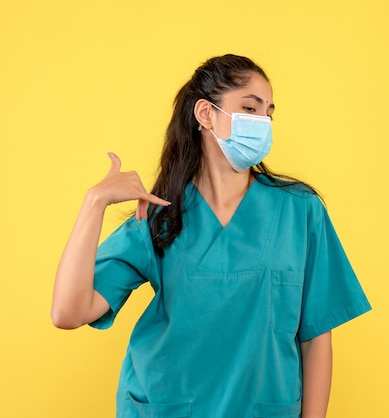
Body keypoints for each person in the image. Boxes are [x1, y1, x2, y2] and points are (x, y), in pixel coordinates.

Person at [52, 54, 371, 418]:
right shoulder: (161, 215)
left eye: (268, 113)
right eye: (250, 108)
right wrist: (95, 202)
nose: (262, 122)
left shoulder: (300, 210)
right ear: (206, 114)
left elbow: (315, 336)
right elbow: (68, 312)